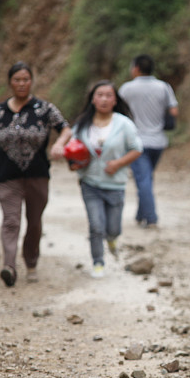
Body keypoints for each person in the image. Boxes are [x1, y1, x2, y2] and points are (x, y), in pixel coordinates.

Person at [0, 62, 71, 287]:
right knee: (11, 221)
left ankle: (31, 263)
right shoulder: (0, 111)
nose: (21, 84)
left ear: (31, 81)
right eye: (17, 80)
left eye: (25, 79)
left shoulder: (44, 109)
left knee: (34, 222)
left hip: (38, 174)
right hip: (7, 175)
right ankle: (9, 267)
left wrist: (60, 144)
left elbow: (65, 128)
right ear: (10, 82)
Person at [56, 80, 142, 278]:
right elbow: (72, 150)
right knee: (96, 225)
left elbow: (137, 149)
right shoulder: (82, 124)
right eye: (99, 95)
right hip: (90, 183)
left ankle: (112, 240)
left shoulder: (124, 124)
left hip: (116, 184)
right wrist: (73, 163)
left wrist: (118, 163)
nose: (104, 99)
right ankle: (98, 262)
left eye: (108, 95)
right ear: (92, 99)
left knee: (113, 228)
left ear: (114, 100)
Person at [118, 54, 178, 228]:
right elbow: (173, 111)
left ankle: (151, 219)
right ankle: (140, 214)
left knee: (143, 179)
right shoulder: (163, 87)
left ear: (136, 68)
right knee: (146, 178)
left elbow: (118, 114)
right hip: (158, 142)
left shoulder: (127, 89)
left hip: (136, 143)